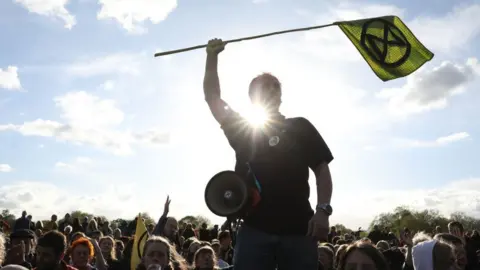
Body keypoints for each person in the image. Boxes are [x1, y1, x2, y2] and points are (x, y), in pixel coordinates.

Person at [203, 38, 334, 270]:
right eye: (265, 86)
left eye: (276, 87)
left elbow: (322, 169)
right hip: (254, 228)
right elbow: (213, 98)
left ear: (281, 96)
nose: (272, 90)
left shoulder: (301, 126)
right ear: (252, 97)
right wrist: (211, 57)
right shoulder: (243, 129)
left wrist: (323, 210)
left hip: (299, 229)